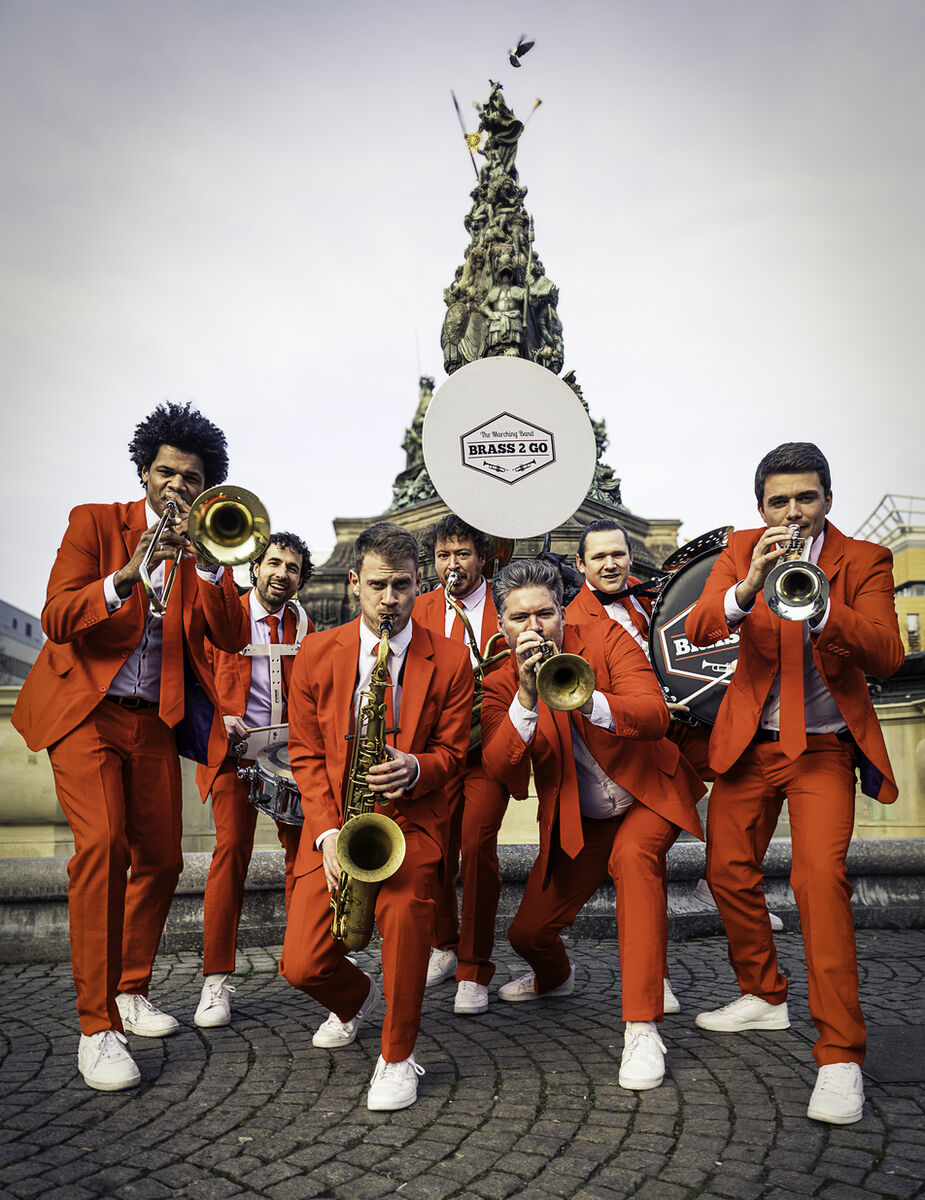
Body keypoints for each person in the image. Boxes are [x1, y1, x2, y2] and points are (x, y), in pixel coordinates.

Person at [12, 402, 249, 1091]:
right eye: (167, 472)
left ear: (206, 489)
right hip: (86, 712)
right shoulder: (94, 523)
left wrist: (211, 569)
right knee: (104, 845)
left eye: (192, 478)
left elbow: (232, 635)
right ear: (145, 472)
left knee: (164, 859)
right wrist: (128, 574)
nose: (177, 486)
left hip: (152, 721)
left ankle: (130, 989)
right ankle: (97, 1029)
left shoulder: (205, 549)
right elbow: (58, 616)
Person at [686, 442, 903, 1125]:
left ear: (827, 500)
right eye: (777, 500)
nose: (792, 511)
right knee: (725, 870)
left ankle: (840, 1056)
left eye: (805, 497)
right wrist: (750, 583)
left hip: (822, 751)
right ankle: (763, 993)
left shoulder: (864, 560)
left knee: (818, 881)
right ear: (761, 507)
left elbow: (888, 655)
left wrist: (824, 608)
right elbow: (699, 628)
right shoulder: (740, 549)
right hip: (751, 745)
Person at [480, 558, 704, 1091]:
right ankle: (556, 978)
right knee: (527, 933)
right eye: (519, 618)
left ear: (562, 612)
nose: (534, 627)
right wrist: (527, 697)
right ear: (502, 624)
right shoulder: (498, 681)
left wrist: (585, 698)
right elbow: (499, 767)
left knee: (635, 861)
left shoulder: (606, 637)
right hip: (582, 817)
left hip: (647, 792)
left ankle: (642, 1028)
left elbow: (655, 714)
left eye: (545, 614)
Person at [279, 522, 473, 1111]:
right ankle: (356, 996)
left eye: (403, 585)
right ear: (354, 582)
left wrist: (417, 768)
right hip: (338, 824)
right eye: (379, 585)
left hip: (410, 823)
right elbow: (305, 753)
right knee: (301, 965)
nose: (391, 599)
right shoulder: (316, 652)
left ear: (420, 584)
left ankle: (397, 1055)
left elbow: (453, 754)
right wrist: (327, 835)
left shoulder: (452, 659)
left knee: (409, 923)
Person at [566, 519, 785, 1015]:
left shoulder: (655, 596)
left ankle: (720, 878)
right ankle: (653, 978)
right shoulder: (573, 620)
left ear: (629, 555)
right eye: (598, 557)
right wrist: (651, 707)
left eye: (618, 554)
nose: (610, 564)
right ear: (580, 564)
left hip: (690, 731)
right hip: (645, 749)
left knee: (765, 763)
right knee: (636, 858)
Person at [193, 533, 314, 1028]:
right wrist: (218, 717)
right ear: (256, 568)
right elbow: (194, 674)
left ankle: (306, 961)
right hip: (235, 756)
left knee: (302, 858)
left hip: (290, 759)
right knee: (230, 856)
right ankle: (215, 980)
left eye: (292, 567)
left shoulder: (304, 623)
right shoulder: (226, 615)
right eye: (274, 563)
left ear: (300, 579)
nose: (282, 573)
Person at [413, 516, 510, 1015]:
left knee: (476, 849)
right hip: (436, 751)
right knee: (433, 852)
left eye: (463, 554)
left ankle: (474, 968)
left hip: (487, 749)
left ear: (483, 557)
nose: (452, 565)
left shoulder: (506, 605)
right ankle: (444, 944)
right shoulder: (419, 607)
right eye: (443, 556)